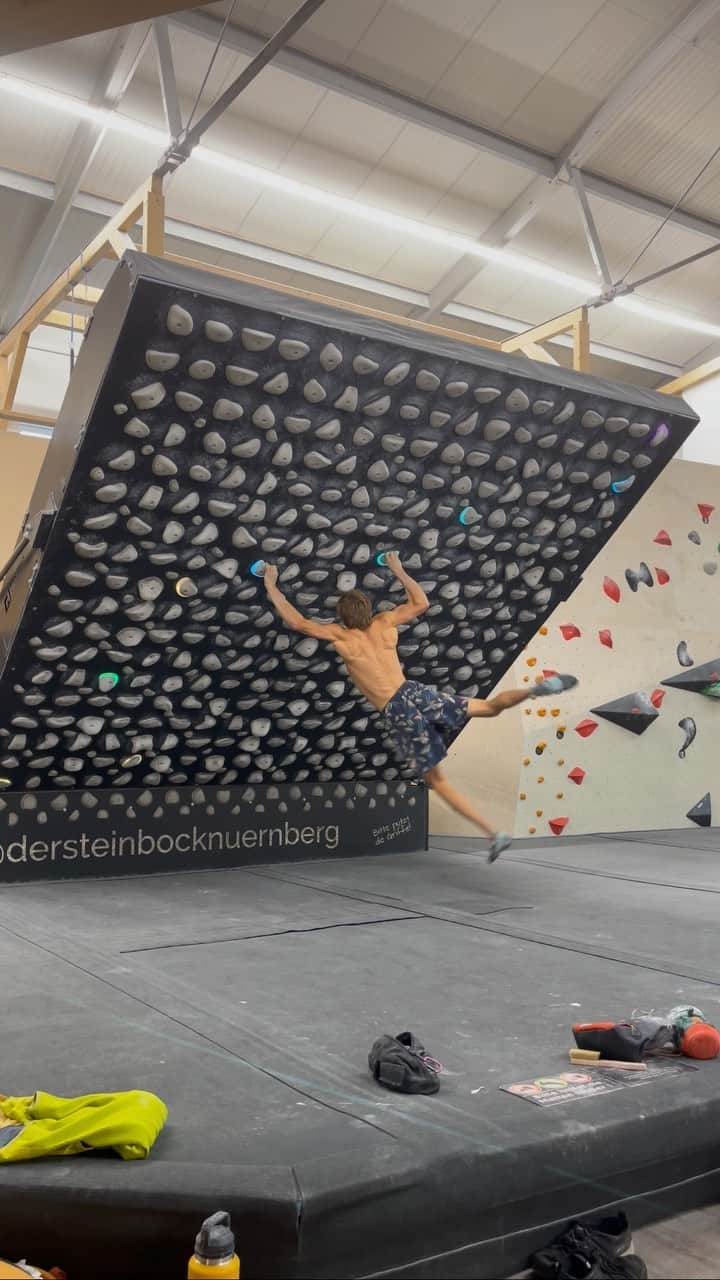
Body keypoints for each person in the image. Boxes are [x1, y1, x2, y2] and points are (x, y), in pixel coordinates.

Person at [263, 553, 577, 862]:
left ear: (342, 616)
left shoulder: (341, 637)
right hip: (413, 692)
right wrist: (397, 568)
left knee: (436, 781)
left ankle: (493, 834)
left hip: (397, 709)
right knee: (490, 707)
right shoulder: (385, 623)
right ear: (368, 610)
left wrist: (272, 585)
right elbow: (421, 603)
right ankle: (533, 690)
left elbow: (297, 622)